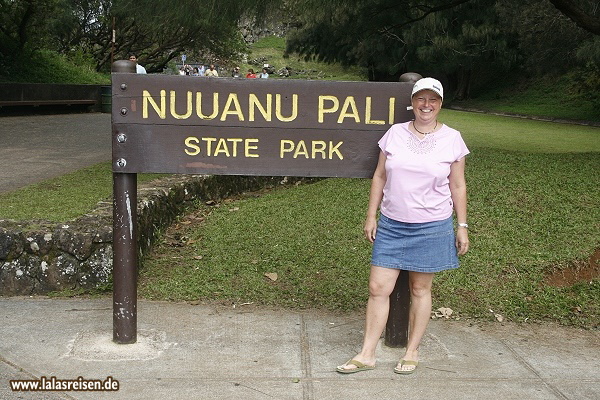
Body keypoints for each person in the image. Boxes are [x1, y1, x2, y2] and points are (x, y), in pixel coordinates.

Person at [336, 77, 470, 375]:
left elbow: (458, 185)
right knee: (377, 287)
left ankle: (412, 351)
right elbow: (380, 176)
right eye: (421, 99)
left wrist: (461, 225)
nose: (426, 105)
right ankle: (367, 353)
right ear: (413, 102)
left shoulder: (452, 138)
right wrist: (371, 215)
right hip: (393, 224)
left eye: (432, 100)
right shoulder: (395, 133)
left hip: (432, 225)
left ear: (440, 103)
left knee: (420, 289)